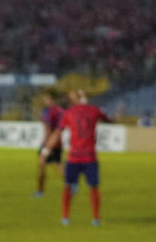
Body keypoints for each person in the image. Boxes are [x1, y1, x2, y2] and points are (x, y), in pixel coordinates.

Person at [41, 89, 115, 226]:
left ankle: (65, 217)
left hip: (74, 157)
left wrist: (46, 150)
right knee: (93, 187)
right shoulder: (95, 110)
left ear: (75, 99)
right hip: (90, 157)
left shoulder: (68, 113)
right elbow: (110, 120)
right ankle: (96, 218)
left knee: (68, 186)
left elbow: (57, 133)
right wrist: (117, 116)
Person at [35, 89, 64, 197]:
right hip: (58, 141)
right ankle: (71, 185)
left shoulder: (47, 111)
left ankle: (40, 191)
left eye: (46, 98)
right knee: (56, 164)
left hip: (49, 142)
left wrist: (45, 144)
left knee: (42, 163)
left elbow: (47, 129)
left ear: (51, 99)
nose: (44, 100)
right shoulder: (61, 110)